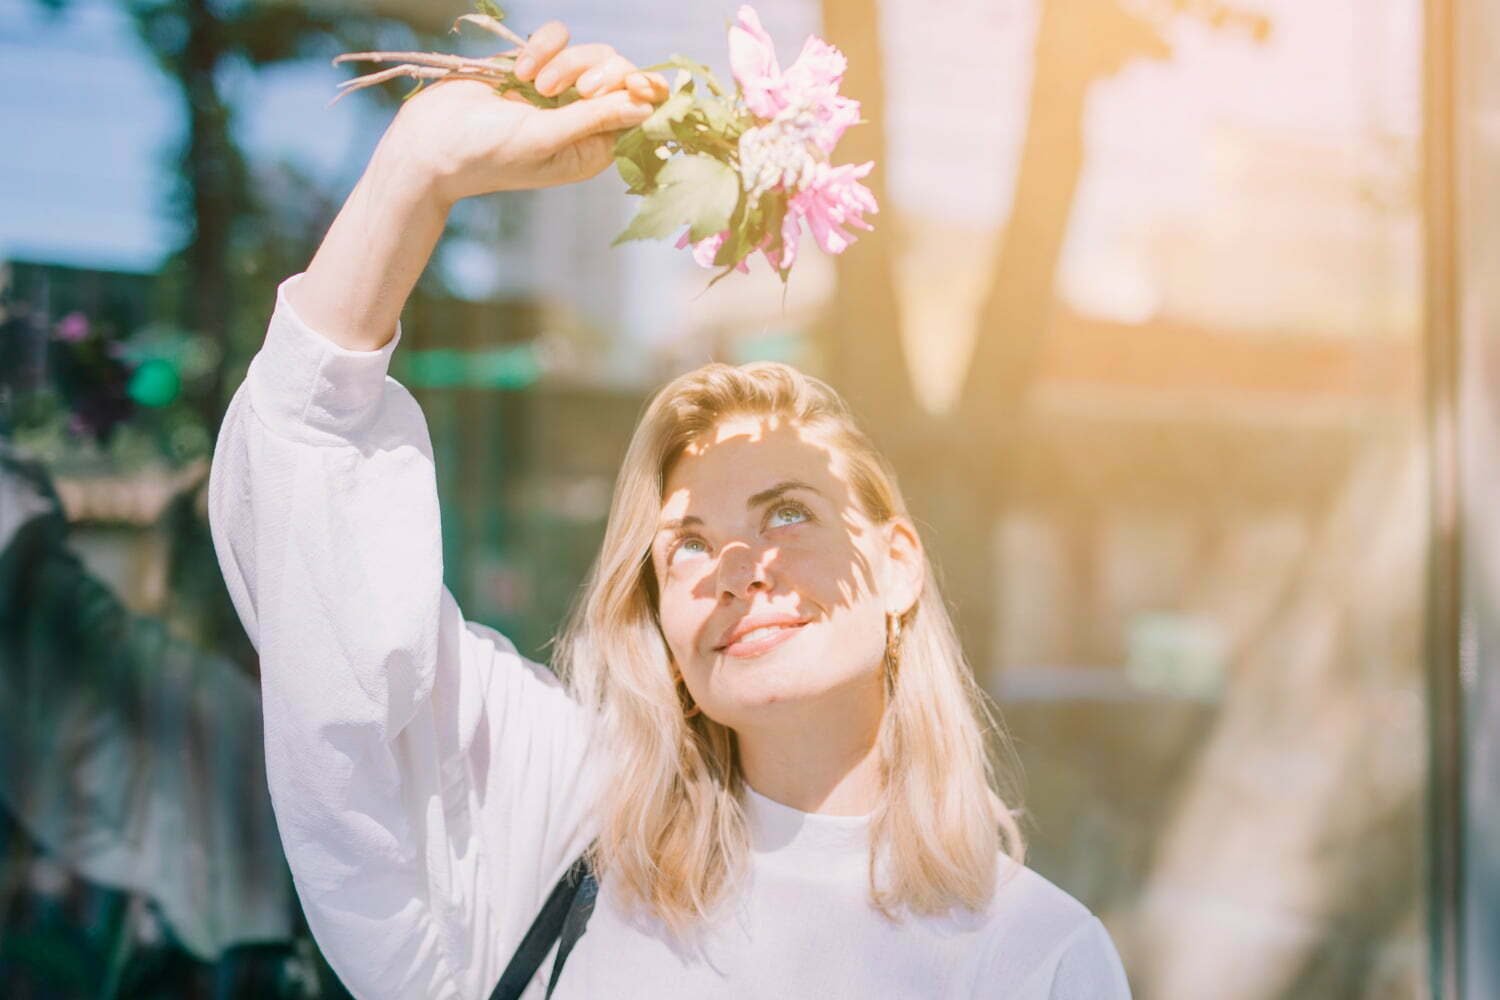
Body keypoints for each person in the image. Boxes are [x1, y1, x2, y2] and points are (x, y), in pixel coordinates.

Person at [207, 21, 1131, 999]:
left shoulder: (1037, 955)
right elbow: (315, 557)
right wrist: (416, 173)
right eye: (687, 543)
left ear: (898, 562)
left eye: (786, 514)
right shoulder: (566, 820)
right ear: (662, 620)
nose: (738, 562)